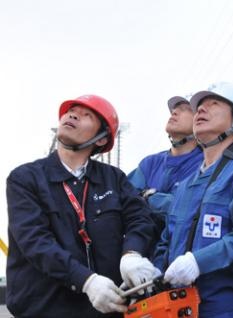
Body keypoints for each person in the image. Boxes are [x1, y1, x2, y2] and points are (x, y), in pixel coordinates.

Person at [6, 95, 157, 317]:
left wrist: (132, 254)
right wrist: (86, 281)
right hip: (45, 308)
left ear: (101, 139)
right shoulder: (25, 178)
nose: (73, 115)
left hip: (106, 308)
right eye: (71, 111)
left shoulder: (113, 178)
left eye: (87, 115)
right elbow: (35, 241)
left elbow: (140, 219)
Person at [153, 82, 233, 317]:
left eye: (213, 104)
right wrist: (154, 273)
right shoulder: (186, 185)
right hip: (176, 307)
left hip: (223, 308)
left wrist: (199, 261)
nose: (201, 110)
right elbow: (166, 239)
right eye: (199, 107)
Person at [128, 96, 203, 240]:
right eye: (174, 110)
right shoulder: (150, 163)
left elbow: (187, 208)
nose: (174, 113)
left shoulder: (206, 164)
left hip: (183, 252)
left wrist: (147, 195)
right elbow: (126, 199)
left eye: (185, 109)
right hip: (142, 250)